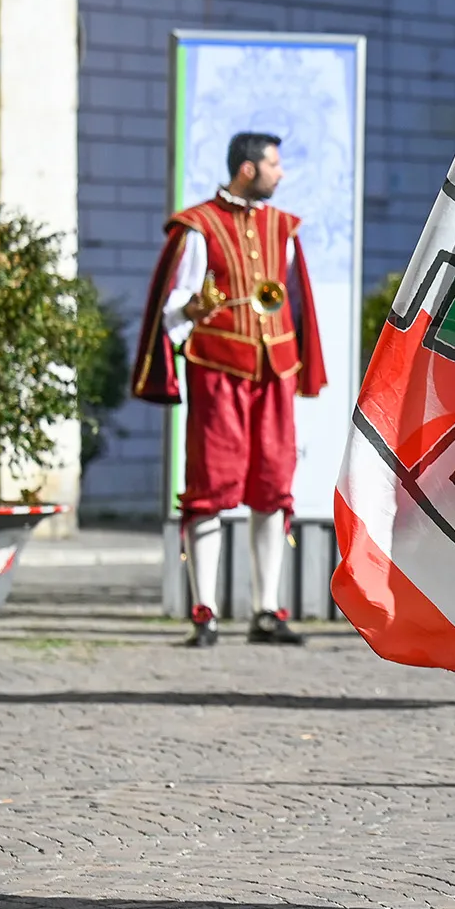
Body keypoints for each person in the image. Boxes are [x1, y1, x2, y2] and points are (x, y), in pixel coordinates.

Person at [133, 132, 325, 649]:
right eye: (274, 165)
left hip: (274, 372)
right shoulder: (197, 226)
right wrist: (193, 310)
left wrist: (305, 366)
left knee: (272, 486)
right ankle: (206, 613)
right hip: (218, 370)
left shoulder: (284, 228)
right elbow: (173, 305)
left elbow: (298, 305)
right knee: (211, 487)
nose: (280, 174)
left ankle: (266, 611)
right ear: (247, 169)